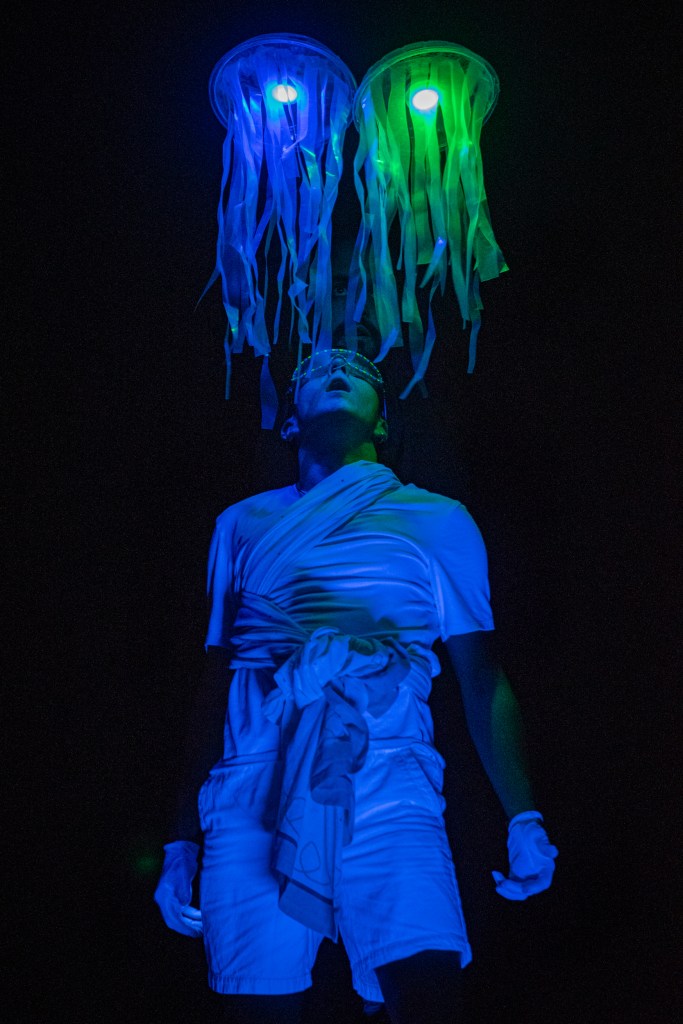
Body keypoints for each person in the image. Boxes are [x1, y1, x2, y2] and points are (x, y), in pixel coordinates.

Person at [154, 263, 558, 1024]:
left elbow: (480, 676)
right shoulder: (240, 524)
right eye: (316, 370)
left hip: (389, 782)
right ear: (287, 421)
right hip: (252, 784)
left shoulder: (439, 520)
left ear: (382, 422)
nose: (337, 369)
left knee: (426, 997)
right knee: (259, 1011)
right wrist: (179, 840)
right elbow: (214, 679)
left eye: (358, 370)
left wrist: (523, 817)